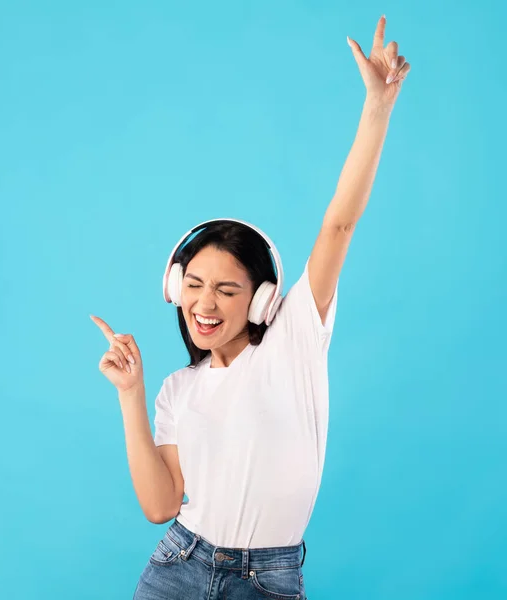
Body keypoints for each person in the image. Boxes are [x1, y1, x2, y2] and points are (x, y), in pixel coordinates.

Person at [91, 15, 410, 600]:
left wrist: (378, 105)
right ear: (174, 287)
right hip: (180, 563)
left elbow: (338, 223)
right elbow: (161, 505)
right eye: (194, 285)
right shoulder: (177, 389)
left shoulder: (294, 340)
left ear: (263, 298)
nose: (204, 304)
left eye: (227, 290)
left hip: (267, 578)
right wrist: (131, 395)